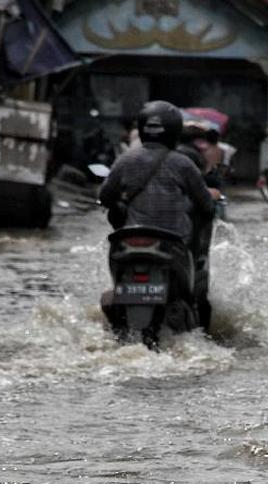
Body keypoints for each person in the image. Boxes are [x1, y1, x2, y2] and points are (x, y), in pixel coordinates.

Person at [100, 101, 214, 322]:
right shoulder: (183, 164)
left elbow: (105, 197)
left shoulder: (125, 159)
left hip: (128, 242)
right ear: (174, 131)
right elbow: (206, 205)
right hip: (173, 243)